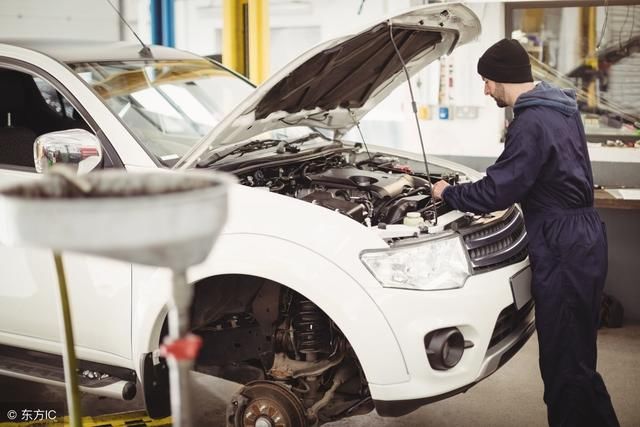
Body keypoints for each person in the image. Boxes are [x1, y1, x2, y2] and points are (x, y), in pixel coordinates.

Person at [432, 39, 619, 427]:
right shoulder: (561, 109)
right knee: (578, 360)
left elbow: (499, 189)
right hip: (582, 236)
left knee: (563, 366)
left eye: (486, 81)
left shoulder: (530, 123)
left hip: (563, 245)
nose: (485, 90)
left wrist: (448, 193)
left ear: (502, 78)